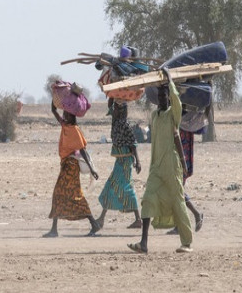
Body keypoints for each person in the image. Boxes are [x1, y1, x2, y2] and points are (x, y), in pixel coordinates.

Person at [129, 77, 193, 254]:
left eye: (166, 96)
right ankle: (143, 243)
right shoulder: (155, 116)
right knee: (148, 199)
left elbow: (176, 134)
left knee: (178, 200)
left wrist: (170, 82)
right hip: (156, 166)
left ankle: (186, 242)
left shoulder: (173, 114)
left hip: (171, 166)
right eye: (161, 96)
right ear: (157, 98)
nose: (163, 98)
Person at [44, 95, 102, 237]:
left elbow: (83, 150)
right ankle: (92, 224)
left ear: (72, 116)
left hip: (71, 167)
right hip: (66, 165)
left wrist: (92, 169)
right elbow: (53, 110)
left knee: (65, 194)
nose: (64, 115)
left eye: (67, 113)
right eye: (64, 113)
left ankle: (55, 229)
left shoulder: (74, 130)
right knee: (65, 194)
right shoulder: (65, 125)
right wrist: (56, 94)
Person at [96, 97, 142, 229]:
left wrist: (138, 162)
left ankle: (137, 219)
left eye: (116, 109)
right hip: (119, 161)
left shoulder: (124, 125)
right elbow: (110, 106)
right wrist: (111, 93)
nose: (113, 110)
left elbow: (133, 144)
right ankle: (102, 218)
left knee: (122, 186)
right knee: (113, 186)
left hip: (126, 161)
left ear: (121, 111)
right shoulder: (115, 122)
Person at [167, 106, 205, 235]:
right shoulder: (189, 122)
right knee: (177, 191)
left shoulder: (181, 124)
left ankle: (194, 215)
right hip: (182, 161)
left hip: (181, 162)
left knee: (178, 191)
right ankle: (186, 220)